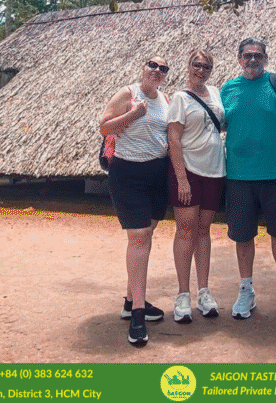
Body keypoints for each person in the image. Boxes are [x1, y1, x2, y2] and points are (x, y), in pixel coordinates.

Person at [220, 37, 276, 323]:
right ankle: (246, 289)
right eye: (247, 55)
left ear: (265, 58)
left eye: (258, 55)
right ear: (239, 58)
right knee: (243, 236)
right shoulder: (228, 89)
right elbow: (218, 124)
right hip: (238, 176)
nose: (252, 60)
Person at [100, 56, 171, 346]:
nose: (157, 71)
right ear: (143, 68)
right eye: (152, 65)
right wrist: (133, 115)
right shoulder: (127, 94)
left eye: (163, 68)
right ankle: (138, 314)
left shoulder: (165, 100)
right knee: (139, 236)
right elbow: (105, 127)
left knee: (147, 233)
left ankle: (131, 301)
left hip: (157, 174)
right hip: (128, 173)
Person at [167, 49, 226, 323]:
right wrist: (181, 179)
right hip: (188, 170)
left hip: (214, 170)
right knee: (186, 230)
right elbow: (174, 138)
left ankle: (204, 291)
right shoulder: (180, 98)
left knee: (204, 230)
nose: (200, 70)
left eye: (206, 66)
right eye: (196, 65)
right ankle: (182, 294)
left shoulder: (215, 93)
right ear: (188, 66)